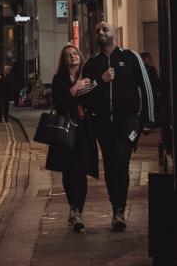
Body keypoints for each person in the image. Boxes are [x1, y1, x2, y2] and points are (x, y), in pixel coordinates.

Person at [78, 21, 155, 231]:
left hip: (127, 121)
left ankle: (120, 210)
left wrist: (148, 119)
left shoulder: (130, 57)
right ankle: (116, 208)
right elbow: (80, 94)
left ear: (114, 33)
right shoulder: (91, 65)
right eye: (97, 31)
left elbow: (146, 87)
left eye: (105, 29)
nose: (101, 32)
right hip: (102, 123)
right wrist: (100, 81)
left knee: (121, 160)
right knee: (111, 165)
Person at [47, 45, 99, 232]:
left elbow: (93, 100)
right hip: (65, 129)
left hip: (84, 129)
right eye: (68, 55)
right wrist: (74, 89)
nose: (72, 57)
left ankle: (77, 211)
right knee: (68, 171)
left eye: (75, 54)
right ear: (64, 60)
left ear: (80, 56)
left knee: (80, 169)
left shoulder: (87, 76)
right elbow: (58, 101)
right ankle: (72, 206)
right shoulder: (58, 79)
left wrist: (79, 89)